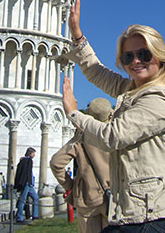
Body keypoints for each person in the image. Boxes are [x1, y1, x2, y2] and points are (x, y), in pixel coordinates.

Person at [61, 0, 165, 233]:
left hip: (151, 218)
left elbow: (113, 136)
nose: (135, 61)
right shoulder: (132, 90)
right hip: (131, 214)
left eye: (144, 54)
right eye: (128, 56)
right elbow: (98, 73)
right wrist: (77, 36)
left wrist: (74, 113)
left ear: (159, 56)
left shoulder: (161, 97)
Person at [51, 98, 112, 233]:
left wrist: (71, 186)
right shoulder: (116, 134)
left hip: (87, 197)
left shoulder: (82, 136)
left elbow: (56, 163)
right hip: (113, 196)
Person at [14, 147, 39, 223]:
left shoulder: (23, 161)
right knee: (22, 200)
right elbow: (27, 173)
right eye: (33, 153)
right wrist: (27, 182)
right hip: (27, 183)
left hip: (29, 184)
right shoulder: (28, 161)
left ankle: (35, 215)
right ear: (30, 153)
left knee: (36, 198)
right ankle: (19, 217)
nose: (34, 155)